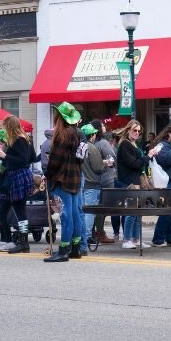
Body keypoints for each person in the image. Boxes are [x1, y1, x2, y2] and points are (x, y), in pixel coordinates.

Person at [44, 103, 84, 262]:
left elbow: (55, 160)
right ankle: (75, 248)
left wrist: (47, 174)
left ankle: (63, 250)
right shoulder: (77, 133)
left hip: (62, 179)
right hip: (75, 178)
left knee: (65, 215)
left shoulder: (63, 134)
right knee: (75, 214)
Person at [0, 115, 37, 254]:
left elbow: (23, 160)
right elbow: (32, 157)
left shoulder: (19, 140)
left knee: (20, 211)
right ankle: (16, 241)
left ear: (10, 127)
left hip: (19, 176)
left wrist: (5, 155)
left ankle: (23, 243)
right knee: (15, 210)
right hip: (16, 176)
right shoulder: (24, 139)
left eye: (6, 127)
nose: (4, 129)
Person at [116, 119, 159, 249]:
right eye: (134, 130)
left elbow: (139, 163)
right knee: (131, 211)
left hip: (137, 181)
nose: (137, 133)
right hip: (129, 182)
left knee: (137, 212)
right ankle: (127, 239)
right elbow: (134, 164)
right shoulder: (125, 144)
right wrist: (148, 156)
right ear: (128, 130)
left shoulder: (135, 145)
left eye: (139, 131)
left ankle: (135, 238)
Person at [80, 123, 114, 245]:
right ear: (92, 135)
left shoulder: (79, 147)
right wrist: (104, 163)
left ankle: (82, 235)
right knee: (90, 212)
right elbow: (98, 167)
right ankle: (88, 236)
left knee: (83, 211)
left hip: (82, 184)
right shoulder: (91, 148)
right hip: (92, 184)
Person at [91, 120, 116, 243]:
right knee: (103, 208)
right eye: (102, 125)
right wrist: (109, 163)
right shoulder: (103, 143)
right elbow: (112, 159)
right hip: (106, 179)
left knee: (94, 208)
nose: (104, 126)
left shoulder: (91, 143)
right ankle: (100, 232)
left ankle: (94, 232)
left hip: (93, 180)